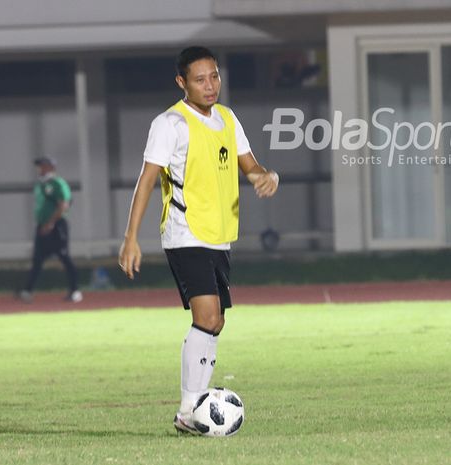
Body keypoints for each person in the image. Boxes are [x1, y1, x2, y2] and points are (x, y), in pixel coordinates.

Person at [118, 46, 279, 434]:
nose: (210, 86)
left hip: (220, 235)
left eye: (215, 77)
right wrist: (130, 237)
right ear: (182, 82)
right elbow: (146, 179)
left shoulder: (227, 118)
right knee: (205, 316)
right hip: (184, 233)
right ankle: (189, 409)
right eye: (200, 79)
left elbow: (249, 163)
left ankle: (196, 407)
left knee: (216, 322)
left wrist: (263, 176)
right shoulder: (170, 124)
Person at [18, 156, 83, 303]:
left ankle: (75, 290)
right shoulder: (40, 184)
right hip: (42, 225)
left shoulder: (57, 183)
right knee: (37, 259)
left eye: (42, 166)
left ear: (50, 167)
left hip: (56, 226)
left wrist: (51, 222)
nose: (39, 169)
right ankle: (27, 290)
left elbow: (64, 204)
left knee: (64, 257)